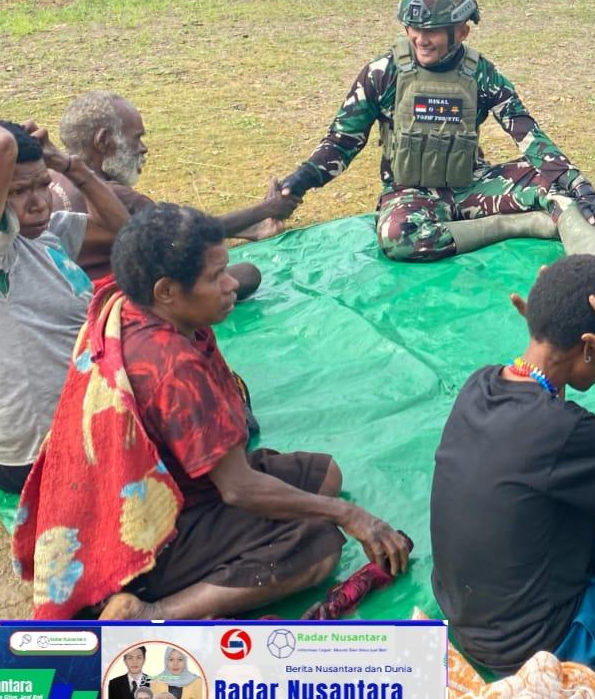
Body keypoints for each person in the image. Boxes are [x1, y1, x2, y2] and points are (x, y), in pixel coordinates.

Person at [95, 205, 412, 619]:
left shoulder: (132, 305)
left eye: (225, 270)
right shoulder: (171, 368)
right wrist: (348, 514)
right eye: (215, 278)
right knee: (319, 544)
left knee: (326, 474)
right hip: (157, 525)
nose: (230, 286)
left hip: (185, 483)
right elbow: (238, 489)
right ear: (166, 291)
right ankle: (155, 611)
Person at [276, 0, 595, 284]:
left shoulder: (480, 73)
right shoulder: (385, 72)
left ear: (461, 31)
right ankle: (521, 224)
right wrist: (302, 179)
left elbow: (527, 134)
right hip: (410, 193)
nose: (419, 38)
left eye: (431, 30)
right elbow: (343, 140)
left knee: (557, 188)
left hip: (472, 185)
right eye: (412, 29)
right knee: (397, 236)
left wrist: (579, 185)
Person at [430, 255, 595, 687]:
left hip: (469, 625)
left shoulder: (480, 384)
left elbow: (542, 423)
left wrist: (549, 323)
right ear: (587, 348)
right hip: (545, 649)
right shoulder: (563, 430)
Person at [0, 116, 130, 491]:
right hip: (35, 457)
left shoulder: (40, 235)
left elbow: (121, 230)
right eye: (17, 191)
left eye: (43, 185)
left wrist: (70, 167)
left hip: (67, 415)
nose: (38, 204)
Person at [58, 91, 299, 294]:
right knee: (246, 273)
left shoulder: (49, 177)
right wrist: (267, 209)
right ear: (103, 141)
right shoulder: (120, 199)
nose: (143, 148)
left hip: (70, 291)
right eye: (137, 138)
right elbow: (187, 235)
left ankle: (252, 231)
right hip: (114, 299)